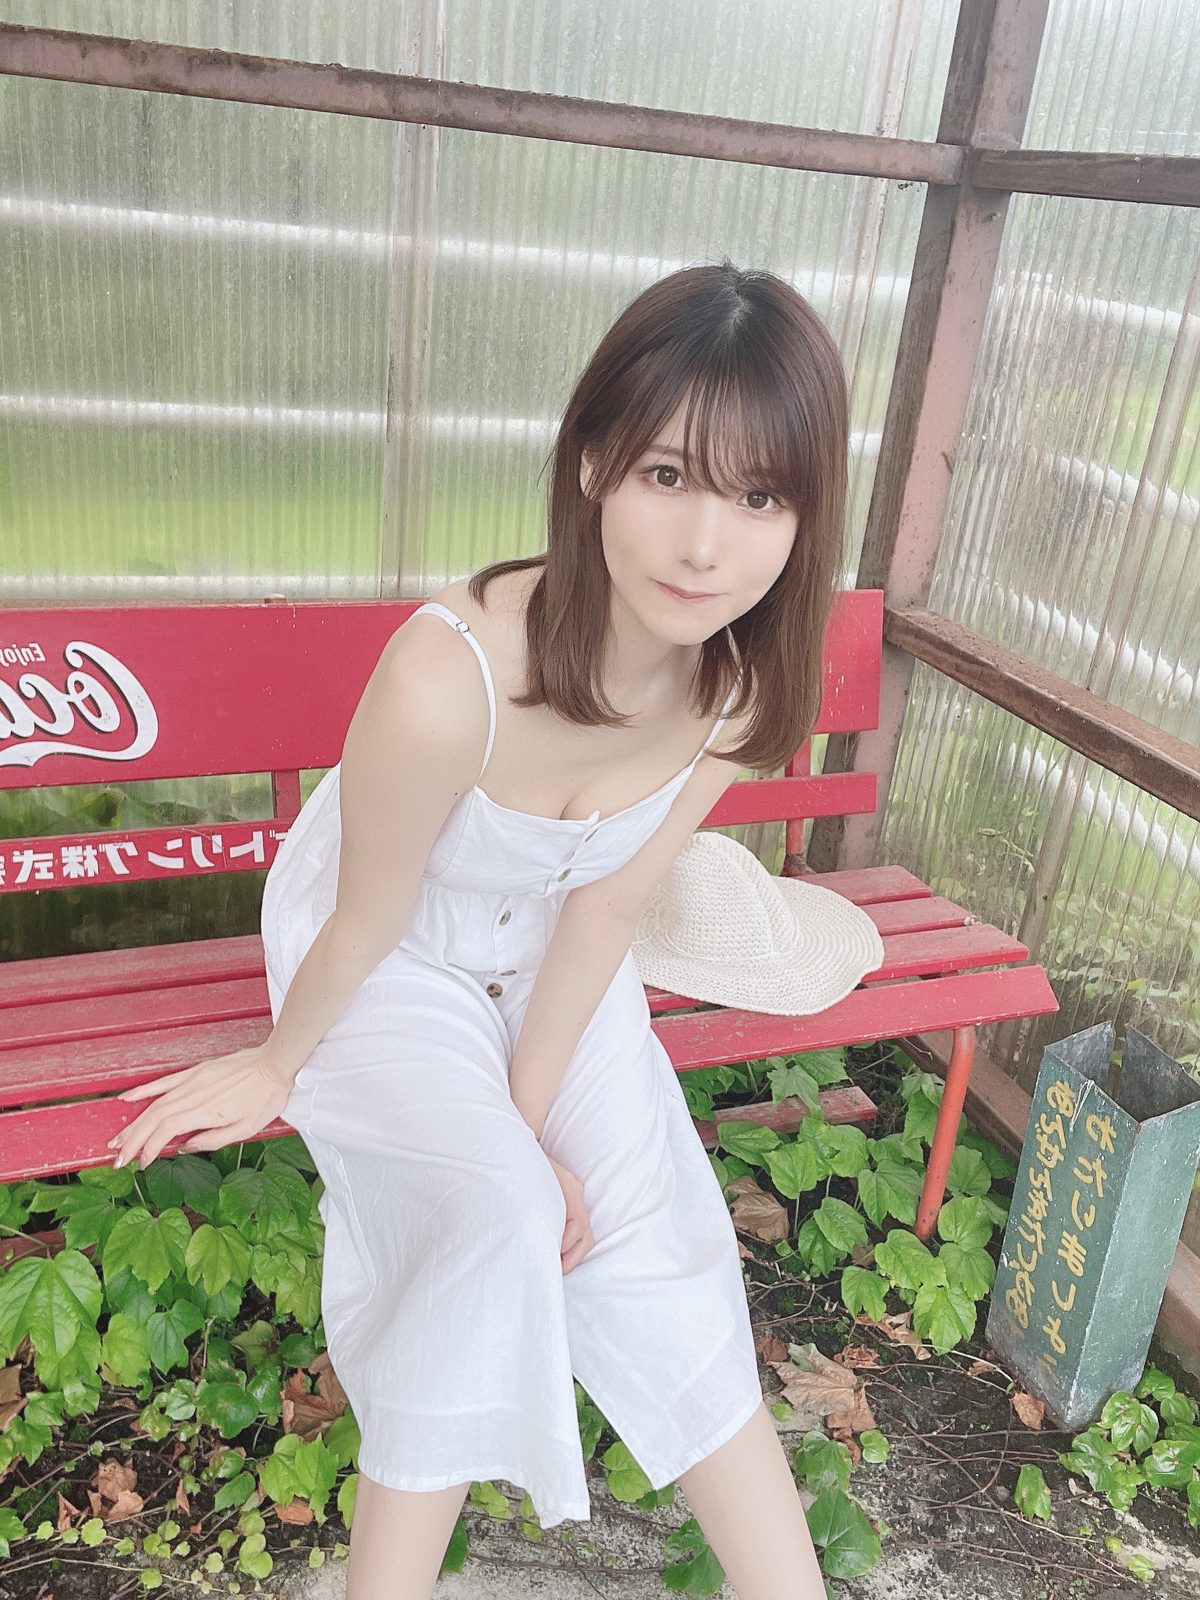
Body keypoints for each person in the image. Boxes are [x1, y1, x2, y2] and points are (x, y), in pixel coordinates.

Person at [106, 259, 849, 1600]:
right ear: (592, 465)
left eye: (759, 498)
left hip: (559, 952)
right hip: (382, 947)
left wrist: (530, 1112)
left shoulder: (739, 689)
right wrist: (277, 1064)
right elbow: (364, 917)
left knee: (654, 1236)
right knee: (498, 1210)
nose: (706, 546)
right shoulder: (449, 678)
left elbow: (606, 906)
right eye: (668, 476)